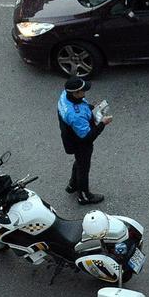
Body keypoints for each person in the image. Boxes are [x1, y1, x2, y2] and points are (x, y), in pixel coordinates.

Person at [57, 77, 111, 205]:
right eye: (82, 91)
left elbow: (82, 104)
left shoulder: (65, 95)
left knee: (79, 162)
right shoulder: (76, 115)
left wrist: (92, 107)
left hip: (70, 137)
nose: (84, 93)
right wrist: (102, 123)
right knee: (83, 167)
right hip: (80, 143)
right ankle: (84, 196)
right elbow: (87, 137)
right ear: (74, 93)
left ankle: (73, 185)